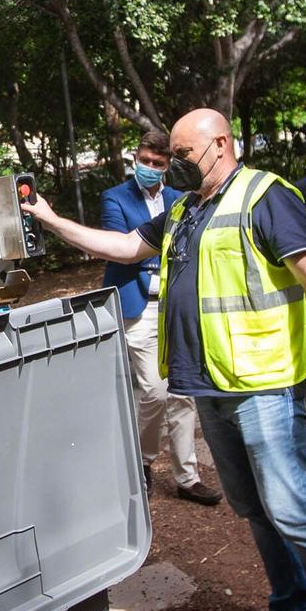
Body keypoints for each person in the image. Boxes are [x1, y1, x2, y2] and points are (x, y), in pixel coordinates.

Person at [21, 108, 306, 611]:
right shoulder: (184, 210)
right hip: (209, 383)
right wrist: (50, 219)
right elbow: (126, 248)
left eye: (184, 154)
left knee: (292, 508)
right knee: (256, 510)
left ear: (221, 145)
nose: (176, 165)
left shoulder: (265, 196)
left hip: (264, 382)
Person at [100, 130, 220, 504]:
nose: (150, 168)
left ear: (169, 166)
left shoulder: (180, 198)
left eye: (158, 163)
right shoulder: (114, 198)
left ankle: (187, 477)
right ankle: (144, 460)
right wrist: (158, 255)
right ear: (135, 158)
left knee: (182, 392)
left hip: (173, 304)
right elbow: (123, 249)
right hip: (138, 307)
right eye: (145, 161)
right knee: (153, 390)